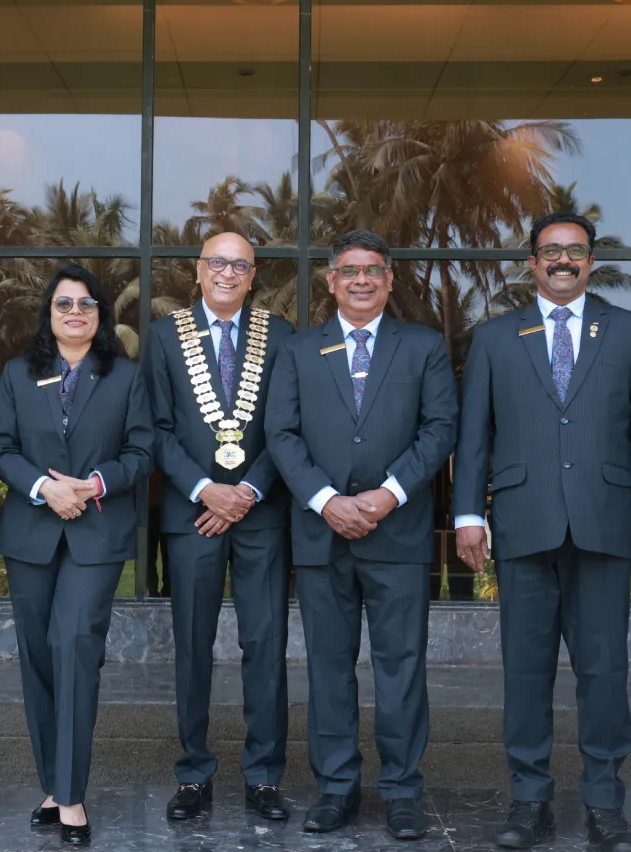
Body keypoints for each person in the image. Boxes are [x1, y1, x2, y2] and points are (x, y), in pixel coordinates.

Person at [453, 212, 631, 852]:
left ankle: (605, 804)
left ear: (591, 262)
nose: (563, 260)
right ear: (532, 262)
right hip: (522, 522)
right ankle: (530, 801)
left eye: (575, 250)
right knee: (525, 673)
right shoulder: (495, 337)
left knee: (604, 671)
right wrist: (468, 514)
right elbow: (474, 435)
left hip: (603, 521)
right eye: (551, 250)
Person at [265, 229, 457, 840]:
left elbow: (439, 427)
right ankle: (336, 788)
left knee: (401, 667)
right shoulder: (298, 350)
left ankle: (402, 790)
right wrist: (326, 501)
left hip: (397, 534)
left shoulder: (423, 346)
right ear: (331, 281)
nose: (362, 280)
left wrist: (388, 494)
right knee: (328, 667)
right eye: (350, 270)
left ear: (390, 279)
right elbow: (281, 434)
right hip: (321, 534)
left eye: (373, 269)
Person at [0, 263, 153, 846]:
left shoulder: (126, 376)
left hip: (96, 531)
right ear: (49, 314)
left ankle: (73, 794)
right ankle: (53, 786)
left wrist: (95, 484)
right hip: (31, 533)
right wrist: (43, 487)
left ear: (100, 315)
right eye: (64, 304)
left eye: (86, 304)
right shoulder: (17, 374)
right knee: (38, 659)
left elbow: (142, 452)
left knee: (75, 646)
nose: (75, 313)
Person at [145, 232, 294, 823]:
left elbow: (287, 427)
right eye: (217, 262)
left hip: (263, 513)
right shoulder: (164, 336)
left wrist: (249, 491)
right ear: (198, 270)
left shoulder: (280, 335)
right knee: (192, 646)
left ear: (252, 276)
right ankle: (193, 773)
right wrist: (206, 489)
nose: (227, 273)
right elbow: (156, 429)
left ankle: (264, 776)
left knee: (266, 645)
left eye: (240, 265)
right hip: (193, 516)